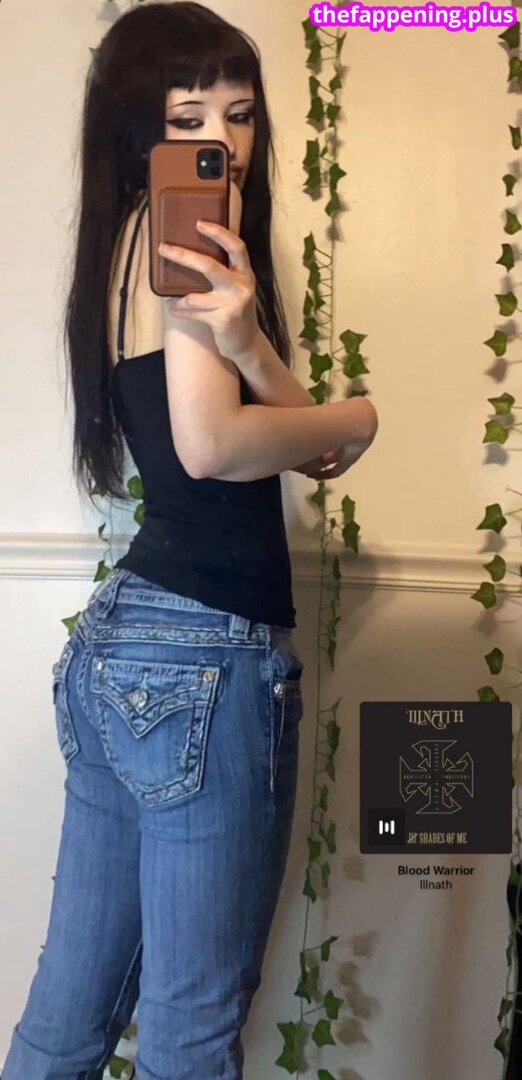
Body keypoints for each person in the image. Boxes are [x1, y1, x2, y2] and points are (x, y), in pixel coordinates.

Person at [1, 4, 378, 1080]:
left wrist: (254, 346)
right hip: (201, 652)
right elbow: (216, 447)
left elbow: (293, 442)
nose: (225, 139)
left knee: (69, 1015)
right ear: (140, 128)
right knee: (191, 1030)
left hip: (126, 647)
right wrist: (362, 415)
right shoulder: (191, 233)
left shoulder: (131, 241)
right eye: (189, 117)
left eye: (242, 113)